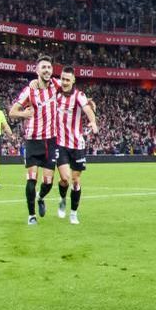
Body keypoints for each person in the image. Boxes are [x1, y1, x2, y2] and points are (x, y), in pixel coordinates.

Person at [9, 57, 60, 224]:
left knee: (48, 182)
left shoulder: (56, 86)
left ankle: (40, 197)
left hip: (51, 141)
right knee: (31, 178)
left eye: (49, 67)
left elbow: (70, 86)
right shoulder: (28, 91)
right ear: (37, 71)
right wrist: (24, 114)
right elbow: (12, 112)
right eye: (43, 67)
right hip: (33, 141)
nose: (47, 70)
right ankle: (31, 215)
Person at [49, 68, 96, 225]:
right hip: (60, 143)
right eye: (63, 79)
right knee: (64, 178)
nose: (65, 82)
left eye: (68, 80)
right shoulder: (56, 88)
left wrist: (93, 122)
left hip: (77, 144)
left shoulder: (79, 95)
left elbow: (87, 109)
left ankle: (74, 213)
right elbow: (43, 79)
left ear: (73, 80)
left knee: (75, 181)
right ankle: (62, 198)